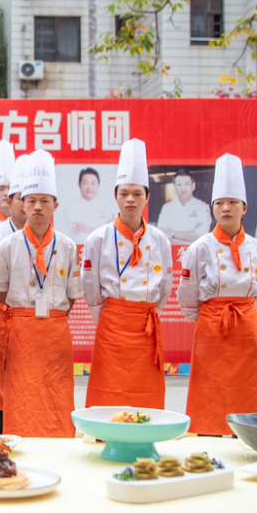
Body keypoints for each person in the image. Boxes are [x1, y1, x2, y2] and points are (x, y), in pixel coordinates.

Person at [178, 154, 257, 435]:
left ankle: (252, 435)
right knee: (210, 389)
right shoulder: (200, 247)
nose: (226, 208)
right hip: (211, 328)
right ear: (212, 208)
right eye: (219, 203)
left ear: (245, 208)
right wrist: (206, 316)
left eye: (233, 203)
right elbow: (188, 292)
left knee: (249, 388)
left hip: (248, 327)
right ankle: (208, 432)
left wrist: (246, 313)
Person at [0, 149, 82, 438]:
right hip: (20, 334)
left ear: (55, 205)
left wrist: (50, 315)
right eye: (31, 201)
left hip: (56, 333)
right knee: (21, 396)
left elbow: (71, 297)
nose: (38, 207)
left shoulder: (68, 246)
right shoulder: (7, 246)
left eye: (45, 201)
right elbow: (1, 295)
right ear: (22, 204)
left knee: (56, 397)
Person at [81, 139, 173, 410]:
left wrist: (148, 310)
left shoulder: (160, 239)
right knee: (109, 391)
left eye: (136, 193)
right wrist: (110, 315)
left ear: (147, 197)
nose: (130, 199)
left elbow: (165, 286)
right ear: (116, 196)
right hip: (112, 325)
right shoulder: (97, 238)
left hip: (146, 326)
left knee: (146, 396)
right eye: (124, 193)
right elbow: (91, 286)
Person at [0, 152, 29, 433]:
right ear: (8, 201)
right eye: (19, 197)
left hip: (31, 319)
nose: (26, 204)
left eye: (31, 198)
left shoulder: (53, 239)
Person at [57, 167, 116, 244]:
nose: (89, 187)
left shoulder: (107, 208)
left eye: (93, 183)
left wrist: (88, 229)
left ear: (98, 185)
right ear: (79, 184)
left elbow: (111, 235)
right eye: (85, 183)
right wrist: (103, 229)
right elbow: (79, 238)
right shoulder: (71, 209)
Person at [157, 169, 212, 245]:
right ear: (175, 187)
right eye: (179, 184)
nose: (183, 188)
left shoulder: (203, 207)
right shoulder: (167, 208)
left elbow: (202, 235)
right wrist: (191, 239)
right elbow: (162, 236)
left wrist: (172, 234)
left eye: (186, 184)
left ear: (193, 186)